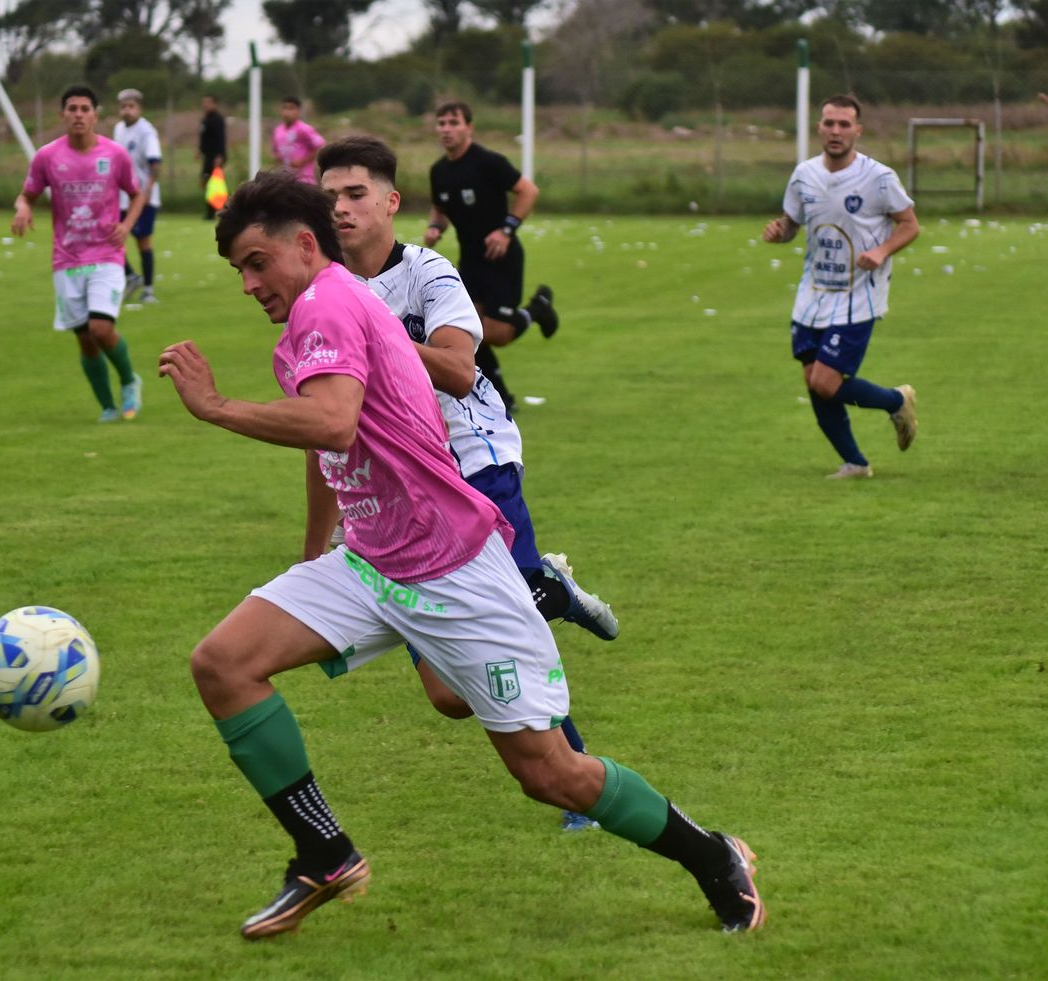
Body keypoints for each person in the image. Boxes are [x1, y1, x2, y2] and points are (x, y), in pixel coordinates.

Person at [157, 171, 766, 940]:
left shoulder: (329, 301)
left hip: (451, 566)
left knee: (551, 773)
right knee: (223, 662)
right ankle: (323, 847)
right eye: (238, 271)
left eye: (254, 262)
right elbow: (330, 447)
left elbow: (334, 423)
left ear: (304, 246)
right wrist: (311, 557)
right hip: (375, 560)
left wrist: (214, 407)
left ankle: (712, 854)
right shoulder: (326, 307)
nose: (247, 284)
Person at [317, 135, 617, 832]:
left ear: (391, 202)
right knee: (451, 694)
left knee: (508, 622)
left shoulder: (428, 274)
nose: (341, 207)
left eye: (356, 193)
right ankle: (554, 589)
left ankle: (577, 785)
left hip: (474, 457)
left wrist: (374, 337)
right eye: (329, 196)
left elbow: (457, 370)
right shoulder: (324, 292)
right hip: (401, 484)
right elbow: (330, 419)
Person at [762, 94, 919, 480]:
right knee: (814, 383)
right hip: (812, 295)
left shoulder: (878, 178)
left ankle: (896, 400)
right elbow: (793, 224)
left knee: (825, 381)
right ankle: (855, 463)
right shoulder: (804, 175)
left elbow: (910, 224)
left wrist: (881, 251)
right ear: (819, 128)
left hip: (857, 296)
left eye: (844, 124)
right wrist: (779, 232)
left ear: (857, 131)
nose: (835, 131)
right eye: (829, 123)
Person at [12, 85, 148, 423]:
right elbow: (26, 195)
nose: (78, 114)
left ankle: (130, 380)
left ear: (95, 115)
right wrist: (22, 209)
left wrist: (127, 224)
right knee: (86, 339)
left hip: (106, 255)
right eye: (72, 108)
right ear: (63, 115)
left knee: (101, 329)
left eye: (85, 109)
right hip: (67, 259)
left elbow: (137, 194)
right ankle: (107, 406)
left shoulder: (114, 155)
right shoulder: (47, 157)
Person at [425, 101, 557, 413]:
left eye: (453, 123)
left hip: (502, 258)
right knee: (469, 332)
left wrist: (506, 230)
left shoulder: (487, 162)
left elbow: (528, 191)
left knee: (498, 334)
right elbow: (440, 209)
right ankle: (501, 397)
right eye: (441, 123)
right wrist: (434, 227)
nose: (446, 129)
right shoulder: (439, 171)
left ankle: (537, 309)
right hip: (470, 260)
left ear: (469, 128)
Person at [112, 88, 163, 304]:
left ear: (139, 108)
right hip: (121, 197)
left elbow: (155, 163)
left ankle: (148, 290)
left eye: (131, 106)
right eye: (124, 106)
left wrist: (148, 189)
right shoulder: (119, 129)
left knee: (143, 242)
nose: (127, 110)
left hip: (142, 198)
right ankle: (131, 276)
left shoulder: (146, 131)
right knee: (112, 238)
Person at [272, 96, 325, 184]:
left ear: (298, 111)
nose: (287, 112)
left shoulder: (304, 129)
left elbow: (320, 146)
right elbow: (276, 150)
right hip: (284, 179)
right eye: (284, 108)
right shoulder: (278, 130)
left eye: (291, 108)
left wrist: (303, 161)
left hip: (304, 180)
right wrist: (277, 157)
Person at [199, 94, 227, 220]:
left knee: (216, 185)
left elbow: (221, 138)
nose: (205, 105)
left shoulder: (217, 119)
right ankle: (211, 212)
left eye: (208, 102)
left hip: (216, 157)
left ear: (214, 104)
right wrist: (200, 150)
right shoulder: (205, 119)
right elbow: (204, 138)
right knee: (206, 183)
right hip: (207, 156)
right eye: (204, 102)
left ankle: (224, 210)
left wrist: (219, 155)